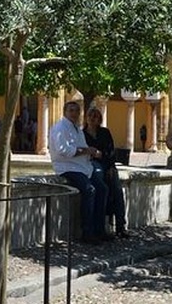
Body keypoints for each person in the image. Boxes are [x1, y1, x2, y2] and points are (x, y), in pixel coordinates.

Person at [48, 101, 110, 244]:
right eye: (71, 110)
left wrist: (91, 152)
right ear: (64, 111)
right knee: (89, 190)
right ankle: (87, 232)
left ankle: (99, 229)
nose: (75, 113)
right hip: (67, 167)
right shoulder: (60, 128)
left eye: (77, 111)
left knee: (103, 188)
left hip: (82, 167)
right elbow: (64, 150)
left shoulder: (77, 128)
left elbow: (82, 148)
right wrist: (86, 151)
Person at [83, 107, 128, 238]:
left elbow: (111, 152)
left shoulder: (105, 132)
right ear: (86, 118)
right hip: (92, 165)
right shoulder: (82, 134)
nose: (93, 118)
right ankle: (100, 228)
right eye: (90, 115)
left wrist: (108, 164)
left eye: (96, 116)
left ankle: (121, 226)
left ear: (100, 119)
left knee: (117, 190)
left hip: (107, 164)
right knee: (102, 189)